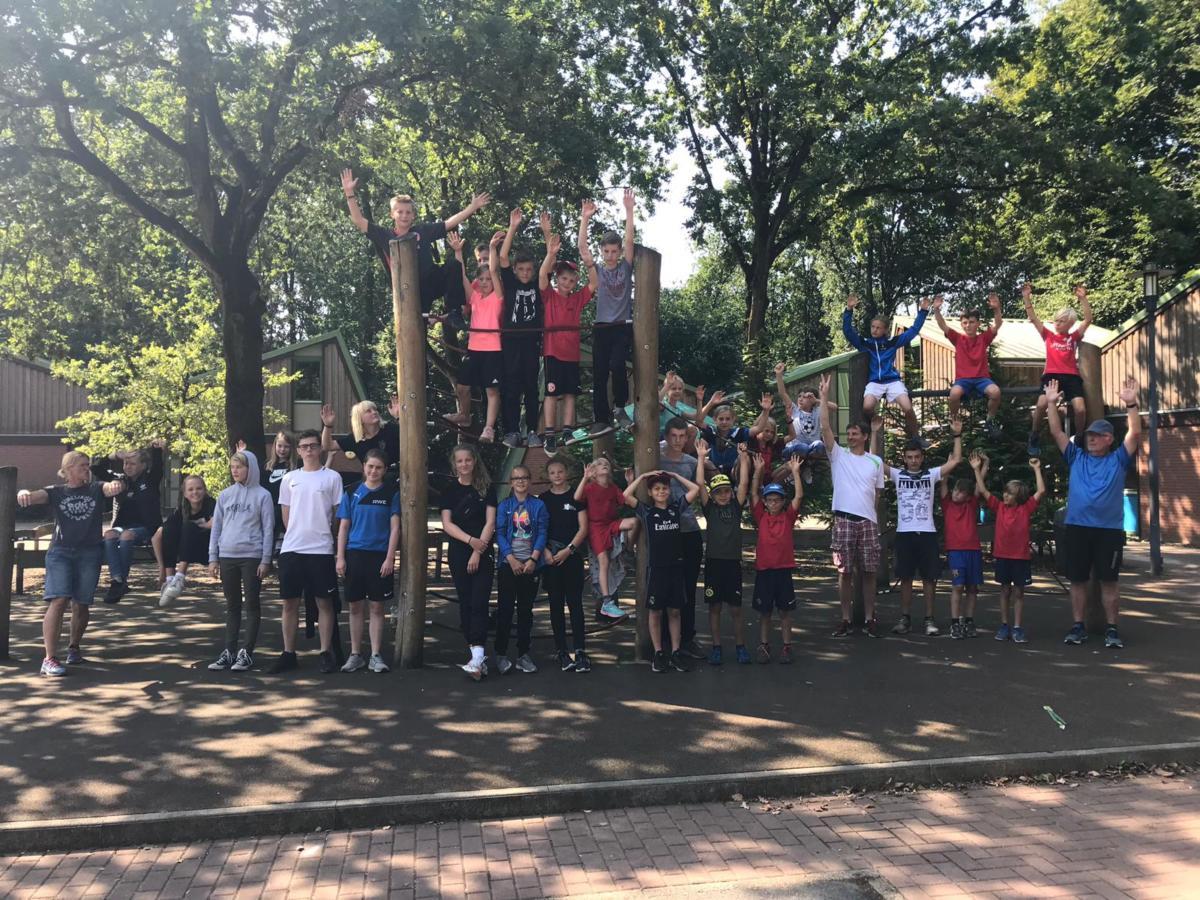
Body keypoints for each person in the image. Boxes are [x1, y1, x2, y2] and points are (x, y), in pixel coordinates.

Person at [1048, 376, 1141, 649]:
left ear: (1109, 439)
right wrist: (1051, 404)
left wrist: (1131, 404)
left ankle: (1112, 629)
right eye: (1089, 435)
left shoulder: (1118, 460)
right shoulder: (1076, 457)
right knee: (1078, 580)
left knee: (1109, 581)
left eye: (1097, 435)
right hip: (1077, 527)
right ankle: (1078, 626)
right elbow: (1057, 433)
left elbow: (1135, 435)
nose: (1091, 439)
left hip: (1108, 531)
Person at [17, 453, 125, 675]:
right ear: (68, 469)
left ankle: (74, 647)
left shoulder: (96, 488)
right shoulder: (56, 492)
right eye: (82, 465)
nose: (87, 469)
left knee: (81, 603)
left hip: (89, 552)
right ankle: (49, 658)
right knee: (59, 599)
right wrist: (23, 493)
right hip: (61, 552)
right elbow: (34, 495)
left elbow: (110, 488)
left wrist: (116, 484)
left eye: (87, 465)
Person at [340, 167, 490, 322]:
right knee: (416, 326)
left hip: (431, 282)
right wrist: (349, 193)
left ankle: (454, 311)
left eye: (408, 212)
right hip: (409, 292)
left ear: (413, 215)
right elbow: (358, 220)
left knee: (453, 265)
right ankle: (423, 324)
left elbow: (449, 223)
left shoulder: (421, 231)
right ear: (392, 214)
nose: (404, 215)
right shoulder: (386, 235)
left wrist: (472, 207)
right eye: (400, 212)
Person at [270, 430, 345, 674]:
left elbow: (337, 515)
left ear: (319, 449)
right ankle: (288, 653)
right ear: (298, 450)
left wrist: (330, 539)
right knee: (289, 603)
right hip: (292, 548)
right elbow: (286, 515)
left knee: (325, 602)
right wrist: (296, 532)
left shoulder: (332, 477)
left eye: (313, 445)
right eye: (304, 446)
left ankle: (325, 652)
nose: (309, 450)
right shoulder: (289, 478)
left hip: (321, 549)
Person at [818, 373, 886, 637]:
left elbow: (877, 493)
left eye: (855, 433)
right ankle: (845, 619)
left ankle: (870, 618)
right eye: (848, 434)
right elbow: (825, 427)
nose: (850, 437)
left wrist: (870, 514)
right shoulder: (838, 455)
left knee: (869, 572)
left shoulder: (875, 462)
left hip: (867, 521)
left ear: (865, 436)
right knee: (844, 571)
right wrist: (824, 396)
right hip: (844, 519)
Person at [882, 417, 963, 637]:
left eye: (917, 457)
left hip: (927, 533)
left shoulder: (931, 474)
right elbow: (876, 462)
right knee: (905, 578)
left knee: (929, 578)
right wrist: (874, 432)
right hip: (904, 533)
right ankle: (905, 618)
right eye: (909, 457)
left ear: (922, 457)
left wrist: (957, 435)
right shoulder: (898, 475)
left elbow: (956, 460)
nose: (913, 461)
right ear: (904, 459)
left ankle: (929, 619)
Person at [623, 469, 701, 673]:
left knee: (674, 611)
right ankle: (658, 652)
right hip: (656, 569)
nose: (661, 491)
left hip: (676, 568)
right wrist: (641, 478)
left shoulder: (676, 508)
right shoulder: (647, 512)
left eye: (664, 488)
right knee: (656, 612)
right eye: (656, 489)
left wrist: (675, 476)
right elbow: (625, 496)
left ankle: (675, 652)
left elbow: (695, 489)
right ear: (650, 492)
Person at [207, 444, 274, 672]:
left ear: (250, 468)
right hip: (227, 555)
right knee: (232, 605)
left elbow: (268, 529)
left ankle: (246, 652)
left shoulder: (263, 496)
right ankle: (229, 651)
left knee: (252, 604)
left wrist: (266, 559)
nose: (235, 470)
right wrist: (213, 557)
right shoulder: (225, 495)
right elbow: (217, 527)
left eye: (240, 467)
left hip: (251, 556)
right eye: (232, 467)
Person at [336, 449, 401, 673]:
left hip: (379, 556)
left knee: (376, 606)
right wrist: (340, 557)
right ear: (364, 466)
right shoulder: (351, 491)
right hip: (355, 554)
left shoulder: (392, 493)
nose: (374, 471)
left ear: (385, 470)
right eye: (370, 466)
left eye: (378, 467)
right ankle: (355, 654)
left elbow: (395, 528)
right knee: (355, 606)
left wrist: (390, 558)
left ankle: (375, 654)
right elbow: (344, 527)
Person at [579, 190, 636, 436]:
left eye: (614, 251)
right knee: (600, 374)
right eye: (607, 252)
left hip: (621, 326)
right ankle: (601, 418)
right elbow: (583, 249)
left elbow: (630, 241)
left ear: (619, 252)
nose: (610, 256)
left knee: (617, 365)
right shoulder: (598, 272)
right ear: (602, 252)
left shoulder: (626, 267)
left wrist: (629, 210)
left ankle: (620, 407)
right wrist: (585, 218)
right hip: (601, 327)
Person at [439, 444, 498, 680]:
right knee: (465, 601)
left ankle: (478, 654)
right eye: (459, 461)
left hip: (483, 550)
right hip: (459, 550)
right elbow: (447, 524)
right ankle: (476, 655)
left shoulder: (486, 488)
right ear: (455, 465)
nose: (464, 464)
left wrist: (478, 549)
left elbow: (490, 522)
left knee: (479, 601)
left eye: (468, 460)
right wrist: (470, 541)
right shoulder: (449, 490)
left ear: (474, 461)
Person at [973, 457, 1046, 643]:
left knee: (1019, 593)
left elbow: (1041, 491)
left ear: (1018, 496)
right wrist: (976, 469)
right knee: (1004, 591)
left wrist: (1037, 469)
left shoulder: (1026, 508)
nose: (1005, 496)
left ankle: (1017, 627)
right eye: (1005, 492)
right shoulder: (999, 507)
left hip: (1020, 558)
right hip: (1003, 556)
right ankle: (1004, 625)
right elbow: (983, 490)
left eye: (1010, 494)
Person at [841, 294, 929, 439]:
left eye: (878, 328)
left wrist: (923, 311)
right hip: (875, 382)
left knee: (908, 408)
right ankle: (877, 420)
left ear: (885, 330)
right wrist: (849, 310)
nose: (874, 330)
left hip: (892, 381)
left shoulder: (892, 342)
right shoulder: (866, 343)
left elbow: (913, 330)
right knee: (867, 407)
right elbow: (848, 332)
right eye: (873, 327)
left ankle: (915, 437)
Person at [538, 230, 593, 455]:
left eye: (571, 280)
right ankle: (550, 433)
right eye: (563, 278)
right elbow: (542, 275)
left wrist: (589, 263)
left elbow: (594, 284)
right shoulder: (549, 295)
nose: (567, 283)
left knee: (571, 392)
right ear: (557, 279)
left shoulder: (577, 299)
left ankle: (568, 430)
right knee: (551, 392)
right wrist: (550, 254)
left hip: (571, 354)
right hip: (552, 351)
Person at [697, 441, 751, 666]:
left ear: (731, 492)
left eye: (726, 491)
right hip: (714, 564)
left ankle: (740, 646)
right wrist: (701, 458)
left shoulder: (735, 507)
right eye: (718, 492)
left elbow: (744, 482)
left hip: (732, 564)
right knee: (715, 607)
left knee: (736, 609)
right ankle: (716, 647)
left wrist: (743, 458)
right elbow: (700, 484)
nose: (723, 495)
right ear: (712, 494)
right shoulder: (709, 508)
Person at [657, 418, 707, 659]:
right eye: (673, 436)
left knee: (687, 588)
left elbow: (699, 490)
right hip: (662, 532)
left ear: (687, 438)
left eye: (682, 436)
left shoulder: (691, 462)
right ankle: (662, 641)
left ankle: (687, 638)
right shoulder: (655, 458)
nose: (677, 441)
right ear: (666, 436)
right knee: (663, 587)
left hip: (688, 530)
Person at [495, 208, 544, 448]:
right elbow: (503, 257)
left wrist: (546, 233)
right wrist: (512, 227)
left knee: (531, 388)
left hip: (531, 342)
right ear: (515, 270)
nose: (525, 273)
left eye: (529, 269)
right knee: (511, 387)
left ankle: (533, 430)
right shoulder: (511, 283)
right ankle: (512, 430)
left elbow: (548, 263)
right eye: (521, 269)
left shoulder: (537, 286)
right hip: (511, 342)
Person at [1025, 282, 1093, 455]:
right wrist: (1026, 297)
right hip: (1051, 376)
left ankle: (1079, 436)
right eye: (1056, 320)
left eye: (1062, 321)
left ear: (1070, 323)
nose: (1057, 323)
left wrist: (1083, 299)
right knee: (1041, 404)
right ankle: (1034, 434)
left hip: (1071, 376)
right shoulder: (1048, 335)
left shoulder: (1073, 337)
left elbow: (1088, 320)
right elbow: (1033, 318)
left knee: (1080, 409)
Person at [749, 453, 805, 664]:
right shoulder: (761, 516)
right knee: (764, 612)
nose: (773, 503)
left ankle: (787, 646)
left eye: (777, 500)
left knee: (785, 612)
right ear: (765, 502)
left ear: (783, 502)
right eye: (769, 500)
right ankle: (764, 645)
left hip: (783, 571)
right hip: (764, 571)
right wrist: (758, 471)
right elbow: (753, 493)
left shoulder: (788, 517)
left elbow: (798, 496)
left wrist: (795, 472)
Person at [448, 230, 503, 442]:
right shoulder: (475, 297)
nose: (485, 282)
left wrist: (493, 248)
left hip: (493, 350)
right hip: (474, 348)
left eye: (488, 279)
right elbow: (461, 277)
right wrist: (458, 252)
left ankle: (489, 428)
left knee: (491, 390)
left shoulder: (498, 297)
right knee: (462, 386)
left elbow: (495, 270)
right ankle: (464, 414)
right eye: (481, 279)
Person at [93, 442, 165, 603]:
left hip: (147, 528)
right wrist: (114, 456)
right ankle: (117, 580)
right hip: (123, 527)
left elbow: (158, 465)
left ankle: (120, 581)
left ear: (143, 465)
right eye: (125, 463)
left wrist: (156, 449)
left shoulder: (151, 479)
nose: (127, 467)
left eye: (132, 463)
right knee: (109, 535)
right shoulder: (121, 481)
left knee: (126, 535)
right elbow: (96, 469)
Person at [494, 465, 548, 674]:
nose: (521, 481)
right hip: (509, 564)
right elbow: (499, 533)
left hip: (530, 564)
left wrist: (534, 559)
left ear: (530, 481)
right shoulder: (504, 505)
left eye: (524, 477)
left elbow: (542, 532)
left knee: (526, 611)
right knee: (505, 610)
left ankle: (523, 654)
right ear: (511, 482)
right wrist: (510, 558)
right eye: (516, 478)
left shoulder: (538, 505)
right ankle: (500, 653)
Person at [539, 458, 591, 672]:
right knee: (555, 605)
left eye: (560, 471)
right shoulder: (543, 499)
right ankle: (561, 650)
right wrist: (545, 552)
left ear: (567, 472)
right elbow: (538, 528)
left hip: (572, 556)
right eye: (552, 472)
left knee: (575, 605)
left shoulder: (576, 496)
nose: (557, 475)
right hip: (550, 557)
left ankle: (580, 650)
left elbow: (583, 528)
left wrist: (568, 550)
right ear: (548, 475)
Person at [933, 293, 1003, 438]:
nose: (968, 325)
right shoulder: (958, 338)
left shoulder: (983, 338)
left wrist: (996, 309)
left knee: (995, 392)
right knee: (954, 394)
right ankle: (954, 421)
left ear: (978, 324)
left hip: (982, 378)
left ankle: (989, 421)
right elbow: (942, 325)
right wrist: (936, 310)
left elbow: (997, 324)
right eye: (965, 323)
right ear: (961, 324)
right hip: (963, 380)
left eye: (971, 322)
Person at [575, 458, 637, 619]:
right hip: (596, 527)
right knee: (604, 562)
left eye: (606, 464)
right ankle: (607, 601)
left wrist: (630, 482)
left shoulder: (612, 487)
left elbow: (625, 501)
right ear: (594, 472)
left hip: (610, 524)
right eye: (600, 465)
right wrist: (585, 478)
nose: (604, 466)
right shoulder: (589, 487)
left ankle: (629, 551)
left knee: (635, 522)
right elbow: (576, 497)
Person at [153, 475, 215, 607]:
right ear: (185, 493)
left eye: (199, 488)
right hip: (185, 550)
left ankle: (180, 577)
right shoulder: (181, 510)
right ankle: (170, 579)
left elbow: (215, 523)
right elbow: (157, 537)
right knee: (169, 528)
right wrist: (161, 568)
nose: (195, 492)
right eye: (190, 489)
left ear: (205, 490)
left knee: (188, 527)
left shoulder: (211, 504)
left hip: (206, 550)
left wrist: (198, 526)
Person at [945, 458, 986, 639]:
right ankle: (955, 622)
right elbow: (943, 482)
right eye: (955, 490)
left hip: (973, 551)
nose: (956, 493)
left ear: (968, 496)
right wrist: (949, 465)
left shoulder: (971, 504)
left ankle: (968, 620)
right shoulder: (947, 504)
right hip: (956, 551)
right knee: (958, 586)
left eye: (961, 492)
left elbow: (979, 486)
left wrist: (982, 467)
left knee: (972, 588)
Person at [319, 399, 400, 476]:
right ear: (359, 418)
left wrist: (398, 417)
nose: (374, 412)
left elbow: (407, 433)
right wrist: (328, 425)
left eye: (375, 409)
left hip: (397, 477)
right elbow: (327, 446)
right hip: (372, 480)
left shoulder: (390, 428)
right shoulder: (356, 439)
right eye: (368, 411)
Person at [774, 365, 826, 485]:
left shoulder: (817, 411)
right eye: (799, 396)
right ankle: (794, 469)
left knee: (819, 446)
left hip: (811, 448)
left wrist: (817, 400)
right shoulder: (795, 410)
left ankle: (806, 466)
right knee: (802, 447)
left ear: (812, 400)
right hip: (794, 448)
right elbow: (782, 393)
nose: (801, 399)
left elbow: (834, 407)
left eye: (805, 397)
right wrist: (778, 375)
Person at [692, 387, 752, 478]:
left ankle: (739, 485)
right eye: (721, 419)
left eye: (727, 419)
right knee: (704, 461)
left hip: (733, 472)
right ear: (714, 419)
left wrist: (766, 410)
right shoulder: (712, 431)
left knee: (745, 458)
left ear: (733, 419)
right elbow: (698, 422)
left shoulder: (739, 432)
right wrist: (709, 402)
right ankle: (722, 482)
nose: (724, 422)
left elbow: (758, 429)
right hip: (715, 473)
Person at [262, 430, 297, 544]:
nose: (282, 450)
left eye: (286, 447)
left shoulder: (296, 467)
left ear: (292, 448)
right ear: (275, 445)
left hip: (288, 509)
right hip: (269, 509)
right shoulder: (267, 466)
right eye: (280, 446)